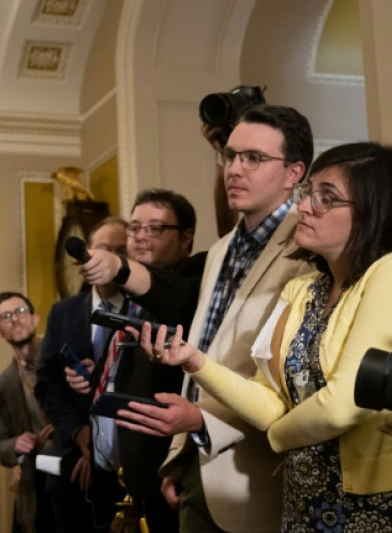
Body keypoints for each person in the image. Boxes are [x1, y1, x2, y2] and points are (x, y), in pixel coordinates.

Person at [145, 141, 392, 531]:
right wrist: (194, 361)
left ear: (373, 209)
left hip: (380, 502)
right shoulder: (303, 289)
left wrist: (276, 435)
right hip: (305, 501)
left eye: (326, 198)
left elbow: (346, 402)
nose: (303, 207)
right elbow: (269, 399)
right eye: (309, 193)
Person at [79, 104, 314, 532]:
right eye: (230, 155)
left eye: (253, 159)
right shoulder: (223, 249)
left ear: (294, 172)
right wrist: (182, 454)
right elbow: (206, 353)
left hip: (261, 473)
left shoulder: (308, 248)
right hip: (197, 465)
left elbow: (288, 378)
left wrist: (201, 423)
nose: (234, 169)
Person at [66, 189, 204, 531]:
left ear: (185, 238)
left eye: (155, 228)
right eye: (135, 228)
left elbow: (172, 304)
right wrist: (94, 376)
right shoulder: (127, 299)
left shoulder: (193, 279)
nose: (141, 237)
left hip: (165, 473)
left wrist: (121, 269)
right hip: (115, 475)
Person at [35, 217, 127, 533]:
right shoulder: (63, 312)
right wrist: (80, 434)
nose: (109, 257)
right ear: (87, 253)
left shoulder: (142, 310)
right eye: (103, 248)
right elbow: (46, 384)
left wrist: (102, 447)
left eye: (120, 250)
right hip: (71, 468)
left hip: (125, 473)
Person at [0, 292, 55, 533]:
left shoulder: (62, 356)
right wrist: (16, 443)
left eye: (20, 312)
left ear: (35, 319)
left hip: (77, 468)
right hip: (36, 482)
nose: (15, 320)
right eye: (5, 316)